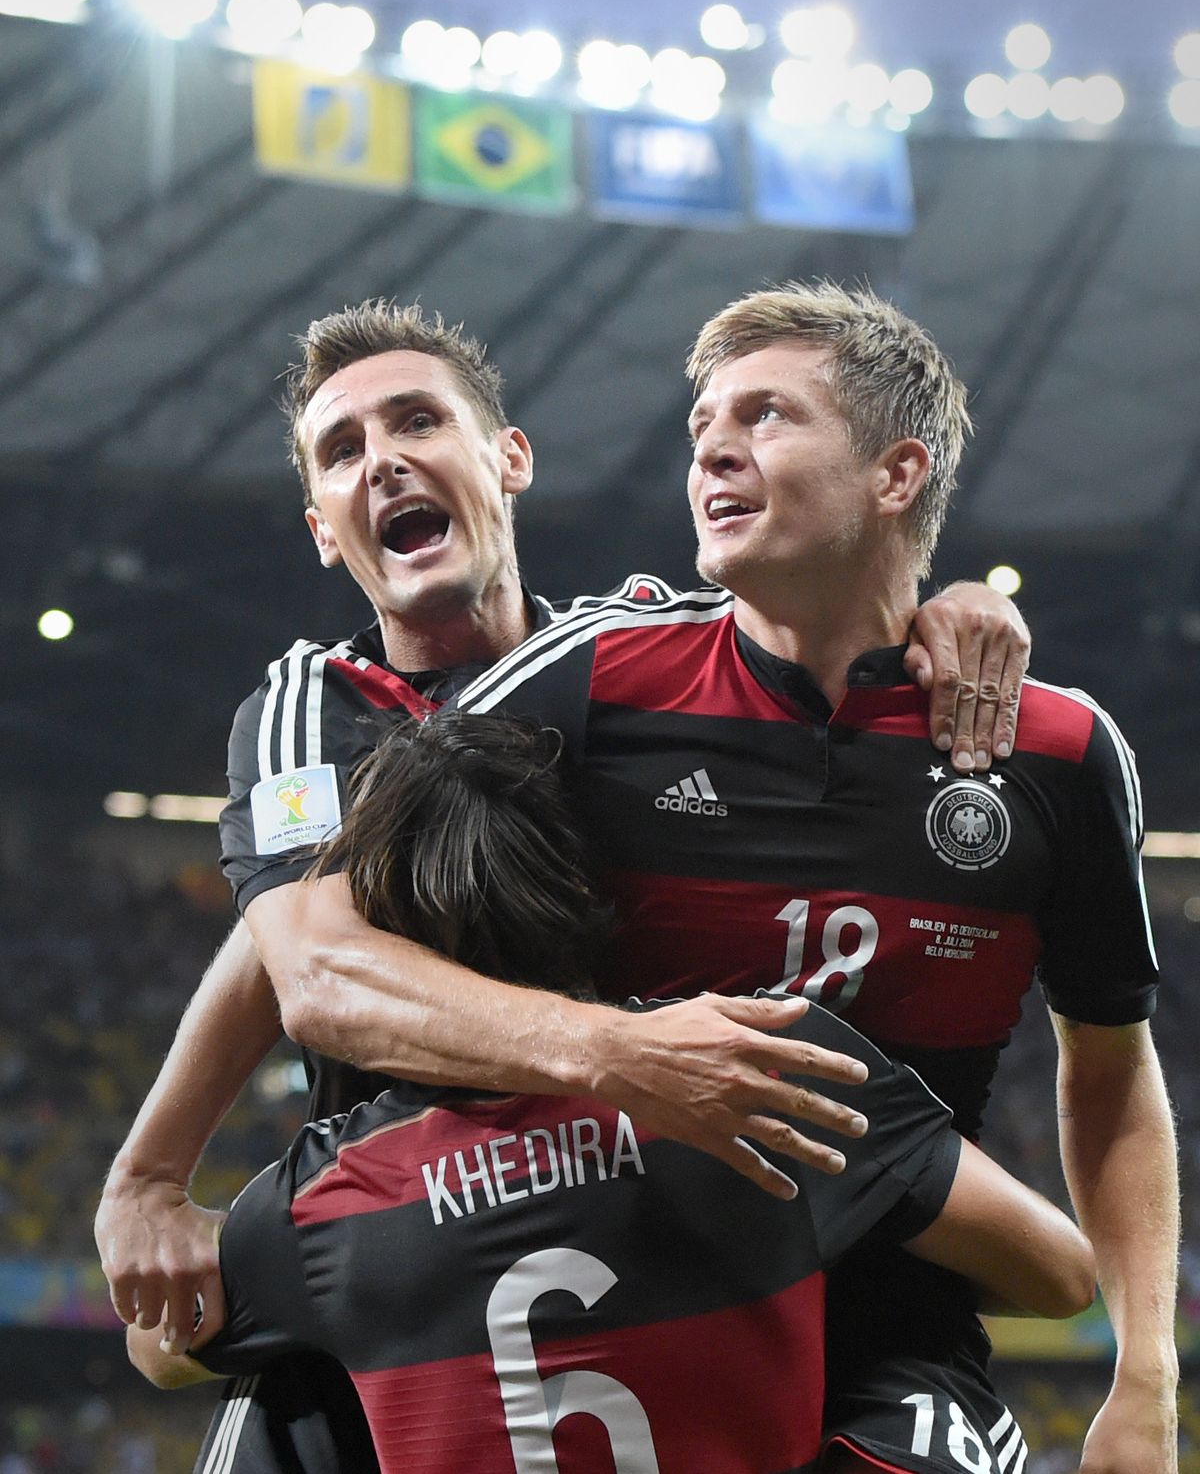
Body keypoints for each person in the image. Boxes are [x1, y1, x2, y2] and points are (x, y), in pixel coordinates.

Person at [94, 299, 1031, 1473]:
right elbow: (311, 963)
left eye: (417, 420)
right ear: (325, 530)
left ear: (509, 458)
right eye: (341, 452)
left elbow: (827, 618)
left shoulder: (641, 651)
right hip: (407, 1252)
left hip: (667, 1219)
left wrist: (948, 611)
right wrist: (147, 1174)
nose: (381, 459)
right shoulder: (312, 711)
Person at [451, 282, 1177, 1473]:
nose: (714, 450)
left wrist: (1144, 1375)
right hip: (618, 1328)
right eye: (702, 429)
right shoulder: (590, 681)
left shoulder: (1056, 752)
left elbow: (1109, 1068)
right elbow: (324, 909)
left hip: (896, 1346)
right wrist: (160, 1170)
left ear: (897, 475)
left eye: (769, 415)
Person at [127, 710, 1095, 1474]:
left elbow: (161, 1350)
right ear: (590, 884)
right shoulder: (765, 1066)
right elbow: (1057, 1276)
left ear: (378, 930)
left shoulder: (326, 1201)